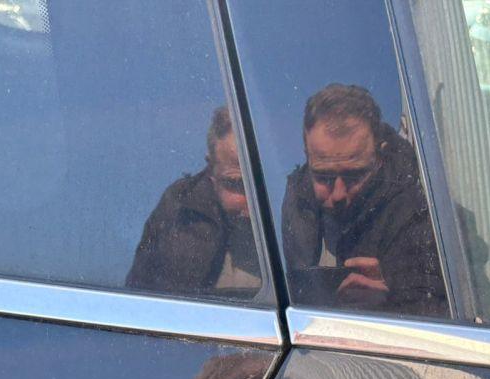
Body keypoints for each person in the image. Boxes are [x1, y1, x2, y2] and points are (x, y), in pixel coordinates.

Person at [282, 83, 446, 315]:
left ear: (379, 157)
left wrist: (388, 304)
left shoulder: (423, 217)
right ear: (307, 157)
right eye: (323, 177)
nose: (338, 193)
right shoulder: (294, 201)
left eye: (354, 176)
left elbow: (450, 320)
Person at [126, 106, 261, 297]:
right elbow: (147, 303)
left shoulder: (299, 211)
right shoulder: (180, 211)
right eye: (235, 183)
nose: (251, 202)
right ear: (211, 169)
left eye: (263, 186)